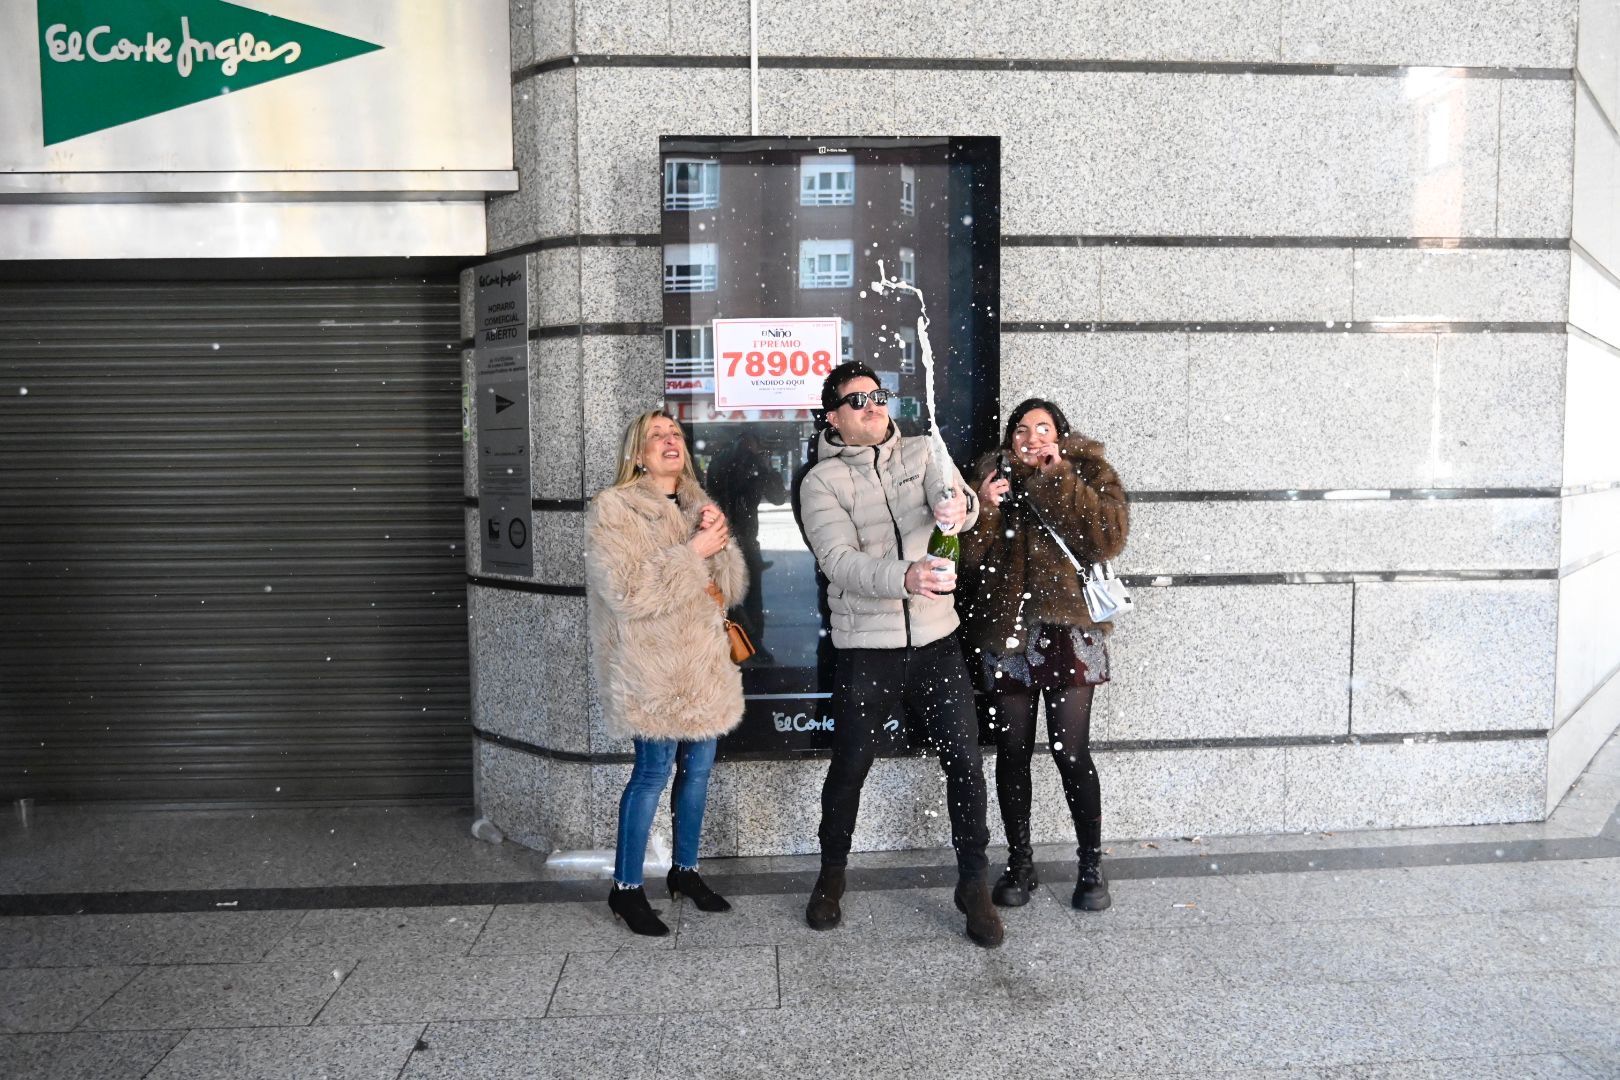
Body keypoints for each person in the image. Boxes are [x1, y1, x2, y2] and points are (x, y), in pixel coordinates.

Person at [795, 361, 1003, 948]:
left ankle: (972, 883)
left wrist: (961, 509)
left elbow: (960, 498)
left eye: (877, 395)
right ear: (834, 418)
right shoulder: (822, 481)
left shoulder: (922, 449)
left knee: (964, 762)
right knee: (851, 766)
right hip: (868, 649)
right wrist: (904, 577)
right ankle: (831, 876)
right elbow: (838, 561)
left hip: (938, 642)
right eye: (856, 400)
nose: (872, 405)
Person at [959, 398, 1129, 912]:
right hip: (1008, 635)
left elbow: (1108, 538)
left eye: (1043, 429)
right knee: (1012, 755)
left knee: (1070, 753)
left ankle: (1091, 864)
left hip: (1070, 632)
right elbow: (968, 561)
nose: (1032, 439)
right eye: (1022, 431)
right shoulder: (990, 478)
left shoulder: (1089, 469)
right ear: (1009, 439)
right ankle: (1020, 862)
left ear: (1060, 435)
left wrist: (1059, 479)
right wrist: (982, 508)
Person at [585, 410, 748, 936]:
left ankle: (685, 872)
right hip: (652, 667)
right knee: (652, 774)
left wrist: (719, 550)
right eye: (656, 436)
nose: (668, 441)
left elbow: (732, 588)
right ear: (637, 453)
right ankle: (626, 888)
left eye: (674, 433)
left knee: (697, 773)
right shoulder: (614, 508)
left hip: (704, 664)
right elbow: (627, 593)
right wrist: (692, 552)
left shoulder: (699, 503)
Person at [705, 431, 788, 660]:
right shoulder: (737, 464)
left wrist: (762, 467)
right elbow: (778, 496)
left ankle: (745, 645)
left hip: (733, 539)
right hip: (730, 539)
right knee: (742, 597)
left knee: (737, 597)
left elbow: (777, 497)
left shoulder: (725, 462)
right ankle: (749, 644)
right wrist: (763, 466)